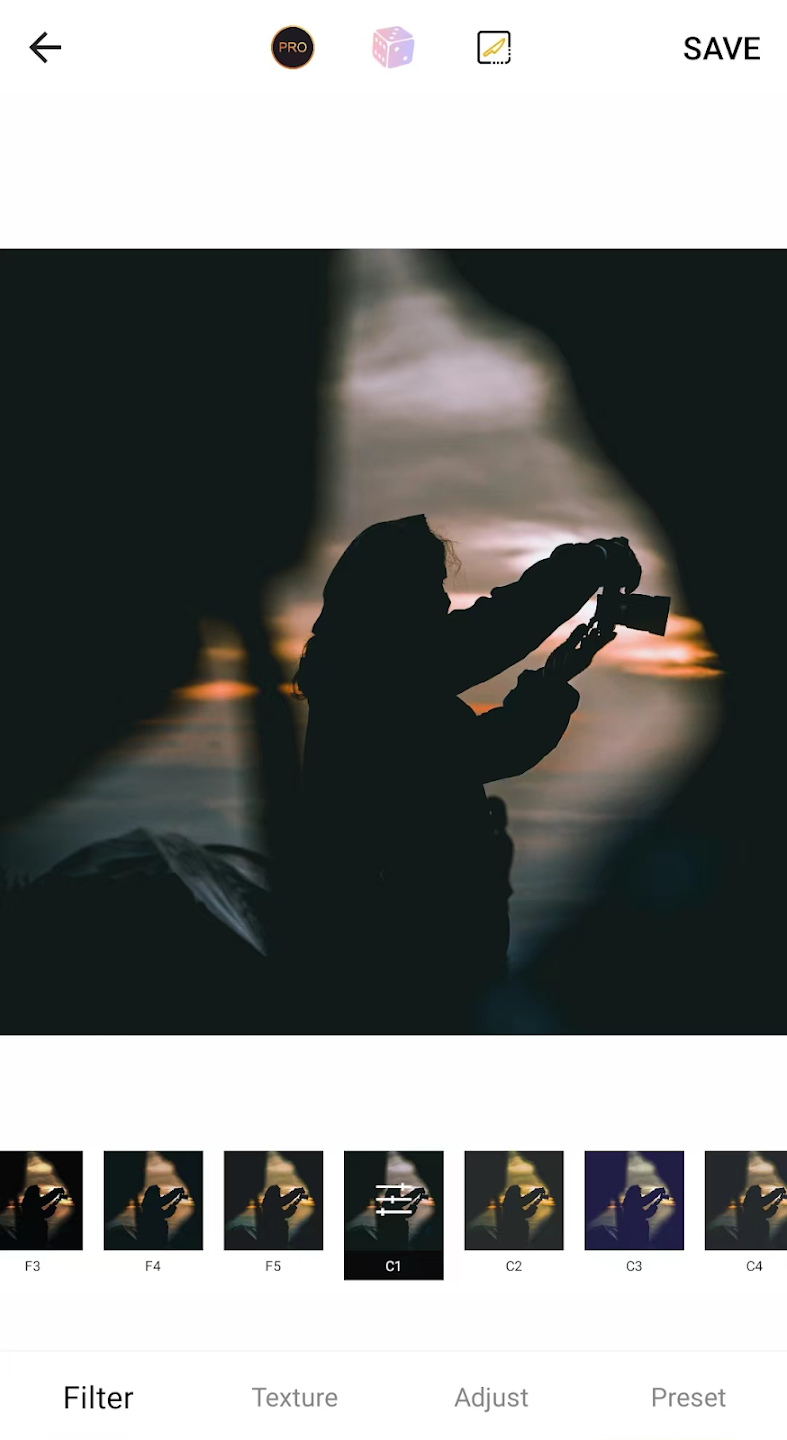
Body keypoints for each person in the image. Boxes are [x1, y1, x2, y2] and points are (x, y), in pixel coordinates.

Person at [295, 515, 640, 1029]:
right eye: (430, 585)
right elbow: (501, 627)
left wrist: (551, 681)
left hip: (416, 937)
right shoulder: (376, 669)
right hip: (410, 948)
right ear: (391, 593)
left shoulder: (364, 675)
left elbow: (479, 751)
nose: (442, 602)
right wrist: (596, 561)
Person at [257, 1183, 307, 1248]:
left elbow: (285, 1202)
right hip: (275, 1234)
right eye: (278, 1193)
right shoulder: (272, 1203)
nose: (279, 1195)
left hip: (271, 1232)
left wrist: (295, 1201)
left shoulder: (269, 1203)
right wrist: (296, 1192)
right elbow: (285, 1210)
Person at [137, 1184, 186, 1248]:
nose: (159, 1195)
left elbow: (164, 1214)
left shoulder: (150, 1204)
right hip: (155, 1233)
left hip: (158, 1232)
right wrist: (177, 1191)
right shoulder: (150, 1203)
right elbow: (166, 1200)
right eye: (157, 1193)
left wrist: (174, 1204)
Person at [17, 1183, 66, 1248]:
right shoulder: (30, 1203)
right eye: (37, 1193)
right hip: (35, 1232)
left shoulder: (30, 1203)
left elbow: (44, 1214)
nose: (39, 1195)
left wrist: (52, 1206)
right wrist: (56, 1192)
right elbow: (44, 1201)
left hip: (38, 1231)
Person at [498, 1184, 546, 1248]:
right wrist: (534, 1206)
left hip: (511, 1234)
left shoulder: (510, 1202)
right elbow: (525, 1214)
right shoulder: (512, 1204)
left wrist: (537, 1192)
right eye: (518, 1193)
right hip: (516, 1235)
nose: (519, 1195)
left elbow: (526, 1199)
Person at [738, 1184, 786, 1249]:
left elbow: (766, 1214)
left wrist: (775, 1204)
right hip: (755, 1234)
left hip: (759, 1233)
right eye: (758, 1193)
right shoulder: (751, 1203)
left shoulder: (753, 1204)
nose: (759, 1195)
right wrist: (777, 1192)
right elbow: (766, 1201)